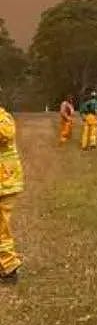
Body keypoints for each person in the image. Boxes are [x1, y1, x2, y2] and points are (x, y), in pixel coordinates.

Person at [0, 104, 24, 283]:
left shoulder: (4, 119)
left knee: (1, 228)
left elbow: (5, 134)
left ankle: (9, 268)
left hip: (5, 183)